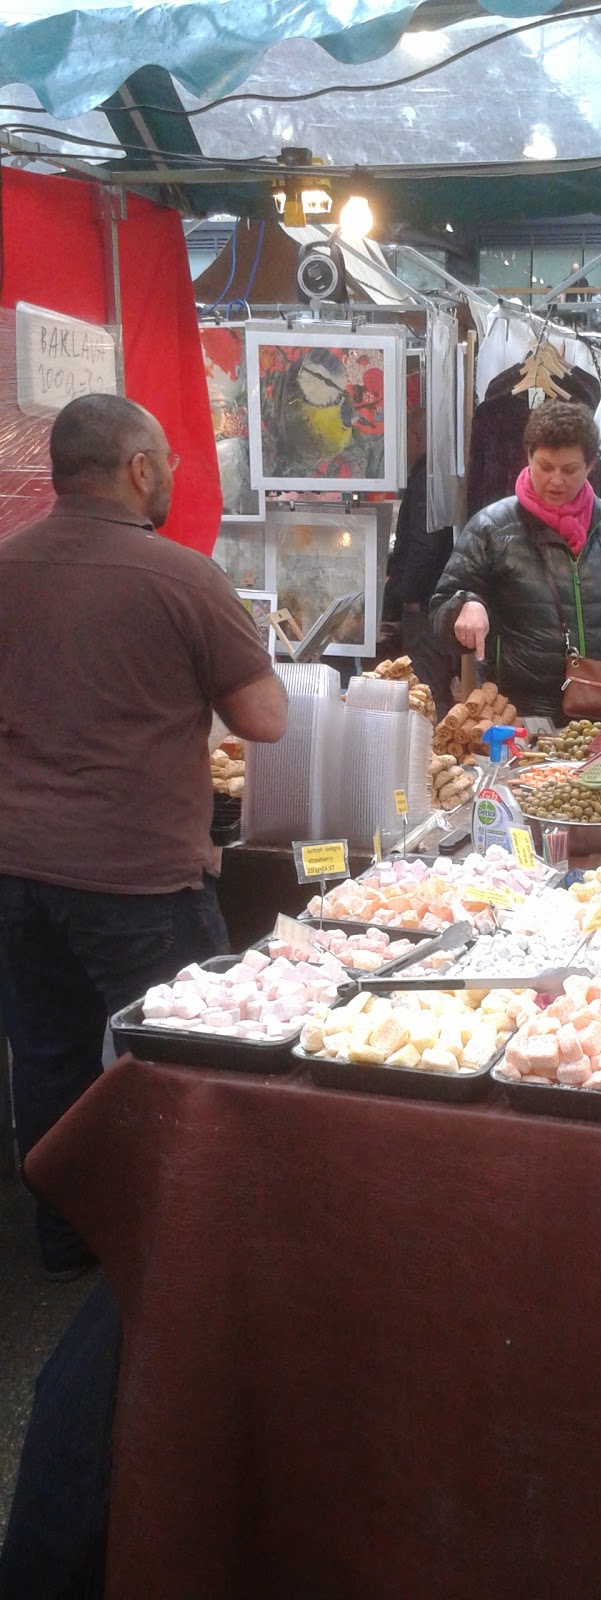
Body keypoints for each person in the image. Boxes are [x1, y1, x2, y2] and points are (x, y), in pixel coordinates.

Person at [0, 393, 287, 1278]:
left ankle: (65, 1245)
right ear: (138, 468)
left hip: (17, 868)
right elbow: (266, 719)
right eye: (167, 459)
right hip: (141, 879)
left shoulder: (6, 565)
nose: (172, 473)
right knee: (179, 1060)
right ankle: (181, 1256)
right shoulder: (183, 577)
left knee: (47, 1058)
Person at [429, 401, 601, 720]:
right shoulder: (491, 529)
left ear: (591, 465)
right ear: (529, 456)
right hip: (522, 717)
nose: (556, 480)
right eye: (545, 467)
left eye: (569, 470)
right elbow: (441, 613)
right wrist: (464, 605)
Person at [380, 407, 458, 713]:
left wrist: (403, 593)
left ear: (415, 437)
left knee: (428, 695)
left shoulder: (426, 478)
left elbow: (424, 545)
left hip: (425, 607)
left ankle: (433, 742)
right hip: (436, 601)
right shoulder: (437, 474)